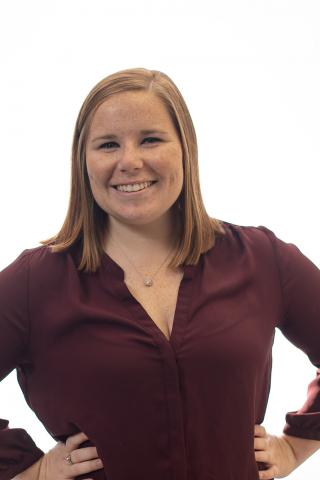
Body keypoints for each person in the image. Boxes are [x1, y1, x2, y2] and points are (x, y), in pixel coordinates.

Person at [0, 67, 319, 480]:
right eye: (108, 144)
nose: (129, 161)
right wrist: (32, 471)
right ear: (84, 161)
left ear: (184, 148)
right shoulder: (35, 283)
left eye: (150, 139)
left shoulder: (261, 259)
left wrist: (297, 445)